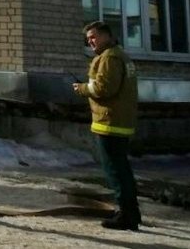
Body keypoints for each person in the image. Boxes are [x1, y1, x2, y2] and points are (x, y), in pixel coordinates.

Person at [73, 20, 140, 231]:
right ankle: (130, 211)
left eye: (93, 37)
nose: (90, 41)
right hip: (119, 121)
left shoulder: (110, 58)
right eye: (88, 39)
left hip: (110, 122)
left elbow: (104, 88)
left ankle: (126, 215)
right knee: (121, 169)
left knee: (115, 170)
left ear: (106, 36)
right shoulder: (121, 55)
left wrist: (83, 88)